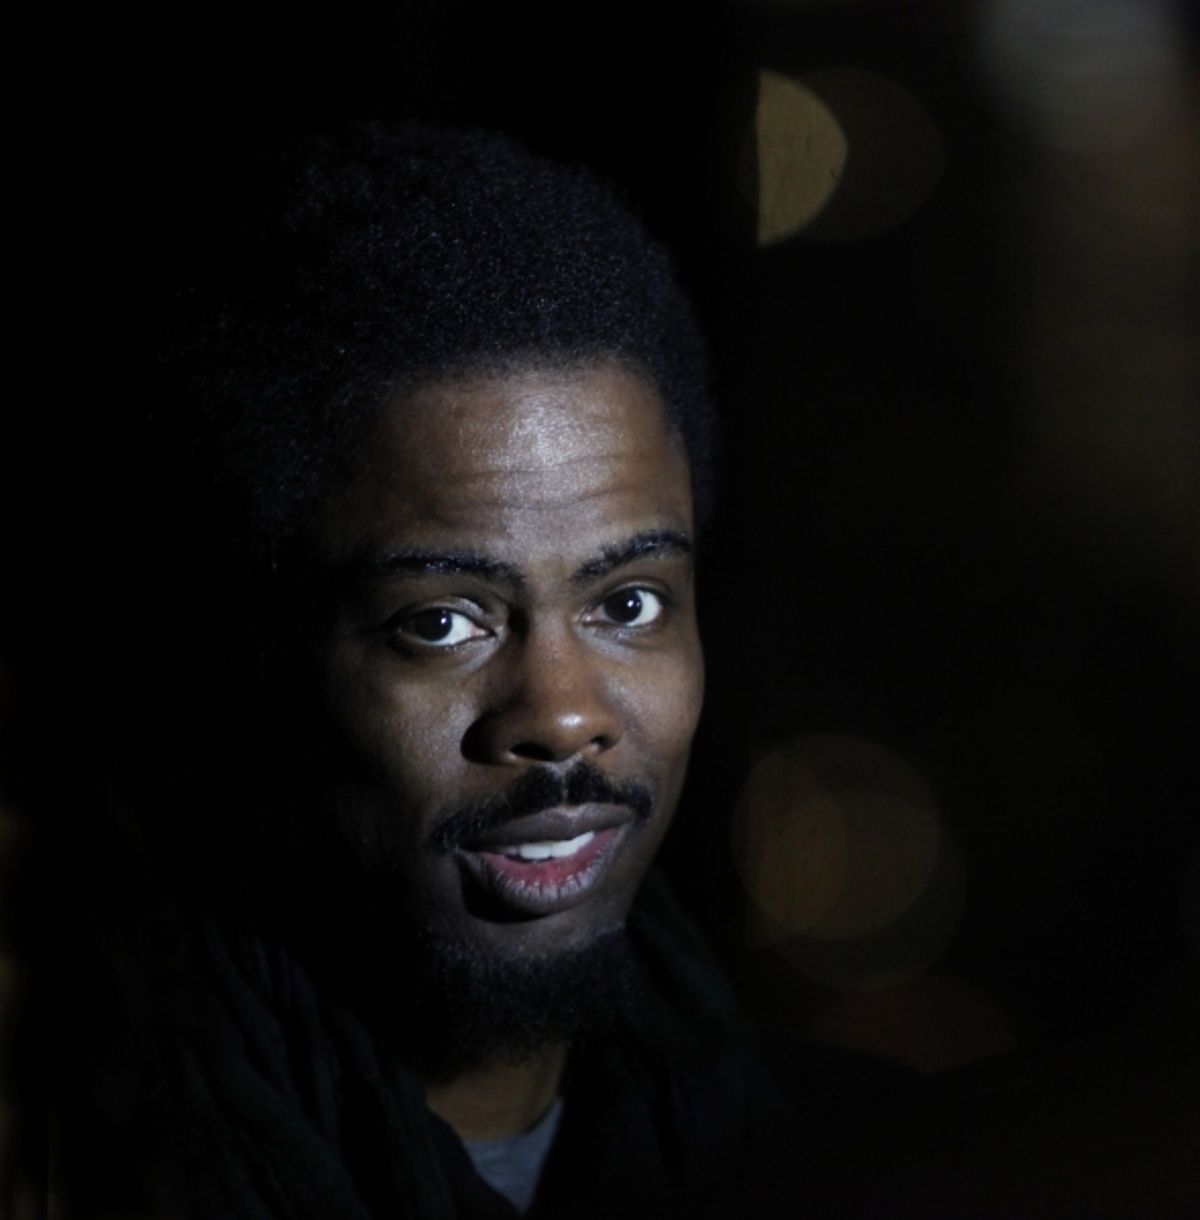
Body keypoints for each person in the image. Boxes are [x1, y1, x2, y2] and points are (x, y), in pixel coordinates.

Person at [46, 123, 895, 1220]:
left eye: (628, 603)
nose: (564, 714)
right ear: (261, 653)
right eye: (443, 622)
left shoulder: (859, 1158)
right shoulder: (85, 1152)